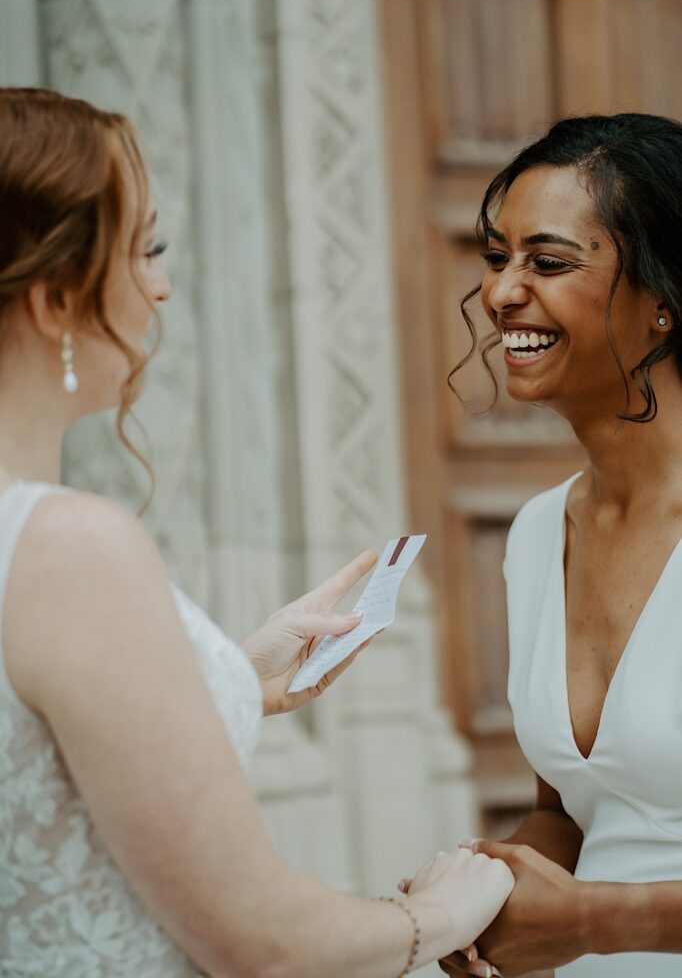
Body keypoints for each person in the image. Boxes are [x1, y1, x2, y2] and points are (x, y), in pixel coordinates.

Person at [0, 86, 515, 977]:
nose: (161, 286)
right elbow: (260, 941)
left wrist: (237, 675)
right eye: (146, 247)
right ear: (52, 299)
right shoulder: (71, 546)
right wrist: (437, 911)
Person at [434, 113, 682, 978]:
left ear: (663, 301)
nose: (503, 292)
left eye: (548, 261)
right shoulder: (539, 532)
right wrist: (480, 894)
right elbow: (576, 813)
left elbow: (593, 908)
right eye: (498, 258)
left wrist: (593, 921)